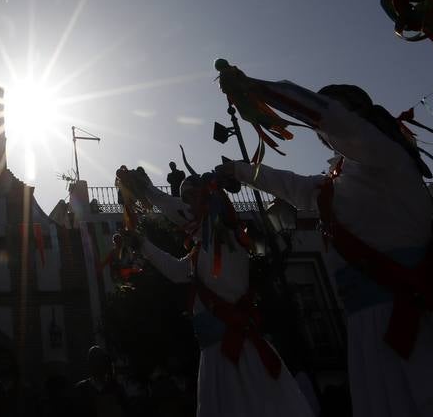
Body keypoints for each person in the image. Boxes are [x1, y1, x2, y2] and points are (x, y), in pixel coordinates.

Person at [215, 66, 433, 416]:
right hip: (370, 324)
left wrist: (256, 89)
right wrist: (238, 170)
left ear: (357, 114)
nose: (329, 122)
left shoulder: (385, 155)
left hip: (418, 321)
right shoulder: (336, 183)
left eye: (337, 110)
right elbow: (293, 186)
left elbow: (329, 117)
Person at [122, 167, 313, 417]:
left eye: (191, 198)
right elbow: (179, 270)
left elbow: (179, 213)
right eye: (185, 199)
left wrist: (146, 190)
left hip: (237, 357)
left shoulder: (227, 242)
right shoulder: (206, 248)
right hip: (217, 356)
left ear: (210, 200)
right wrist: (142, 244)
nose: (187, 206)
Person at [73, 346, 127, 417]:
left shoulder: (116, 388)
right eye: (95, 362)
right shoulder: (81, 389)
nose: (97, 366)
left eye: (99, 361)